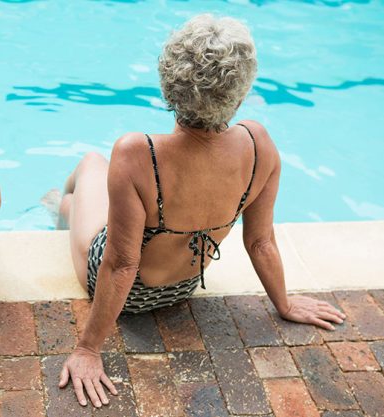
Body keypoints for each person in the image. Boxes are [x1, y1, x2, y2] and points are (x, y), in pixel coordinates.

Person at [57, 14, 346, 408]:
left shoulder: (136, 152)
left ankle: (60, 209)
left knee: (89, 165)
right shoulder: (259, 144)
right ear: (239, 94)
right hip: (183, 287)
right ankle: (68, 209)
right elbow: (261, 242)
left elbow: (121, 264)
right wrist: (285, 303)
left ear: (169, 83)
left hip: (126, 292)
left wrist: (88, 349)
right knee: (95, 200)